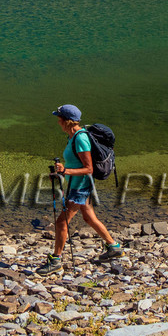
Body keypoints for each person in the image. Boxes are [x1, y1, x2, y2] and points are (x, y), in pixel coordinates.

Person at [36, 103, 123, 274]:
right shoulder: (71, 137)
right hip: (78, 184)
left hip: (80, 187)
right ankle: (114, 247)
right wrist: (60, 172)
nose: (57, 121)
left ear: (67, 121)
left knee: (62, 221)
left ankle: (56, 260)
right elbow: (74, 162)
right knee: (89, 218)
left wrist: (66, 170)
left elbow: (89, 168)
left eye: (59, 118)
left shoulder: (80, 138)